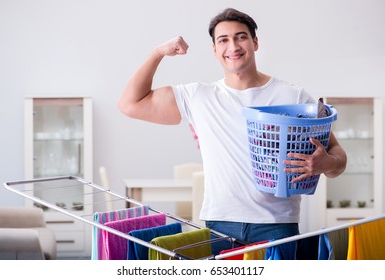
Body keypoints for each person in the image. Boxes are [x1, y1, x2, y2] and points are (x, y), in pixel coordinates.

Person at [118, 8, 347, 253]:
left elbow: (338, 157)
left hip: (277, 225)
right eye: (223, 40)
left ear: (255, 42)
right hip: (220, 225)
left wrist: (327, 164)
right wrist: (158, 53)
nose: (233, 46)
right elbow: (130, 104)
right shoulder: (198, 96)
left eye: (241, 37)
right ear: (215, 50)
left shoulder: (293, 96)